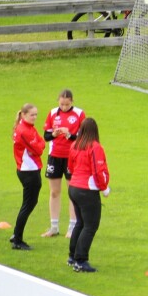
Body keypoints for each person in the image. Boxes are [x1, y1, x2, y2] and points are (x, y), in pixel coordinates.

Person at [67, 118, 110, 273]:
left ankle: (72, 257)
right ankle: (81, 260)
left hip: (73, 187)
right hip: (87, 190)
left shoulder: (74, 145)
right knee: (90, 225)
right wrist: (104, 188)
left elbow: (70, 167)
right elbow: (97, 171)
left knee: (80, 223)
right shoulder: (95, 147)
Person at [42, 89, 85, 238]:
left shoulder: (79, 114)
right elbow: (46, 136)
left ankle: (72, 227)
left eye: (67, 104)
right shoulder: (53, 113)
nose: (64, 107)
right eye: (61, 104)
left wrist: (70, 135)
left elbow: (82, 137)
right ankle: (54, 226)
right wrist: (53, 134)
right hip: (54, 156)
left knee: (72, 192)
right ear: (58, 101)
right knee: (54, 192)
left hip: (71, 157)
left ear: (72, 102)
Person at [11, 103, 45, 251]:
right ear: (24, 115)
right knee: (28, 204)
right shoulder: (25, 130)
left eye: (36, 114)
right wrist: (39, 144)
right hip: (29, 171)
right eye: (32, 115)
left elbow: (41, 142)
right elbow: (39, 149)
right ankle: (17, 239)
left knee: (28, 203)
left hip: (27, 169)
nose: (35, 117)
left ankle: (16, 235)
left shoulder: (26, 127)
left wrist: (39, 144)